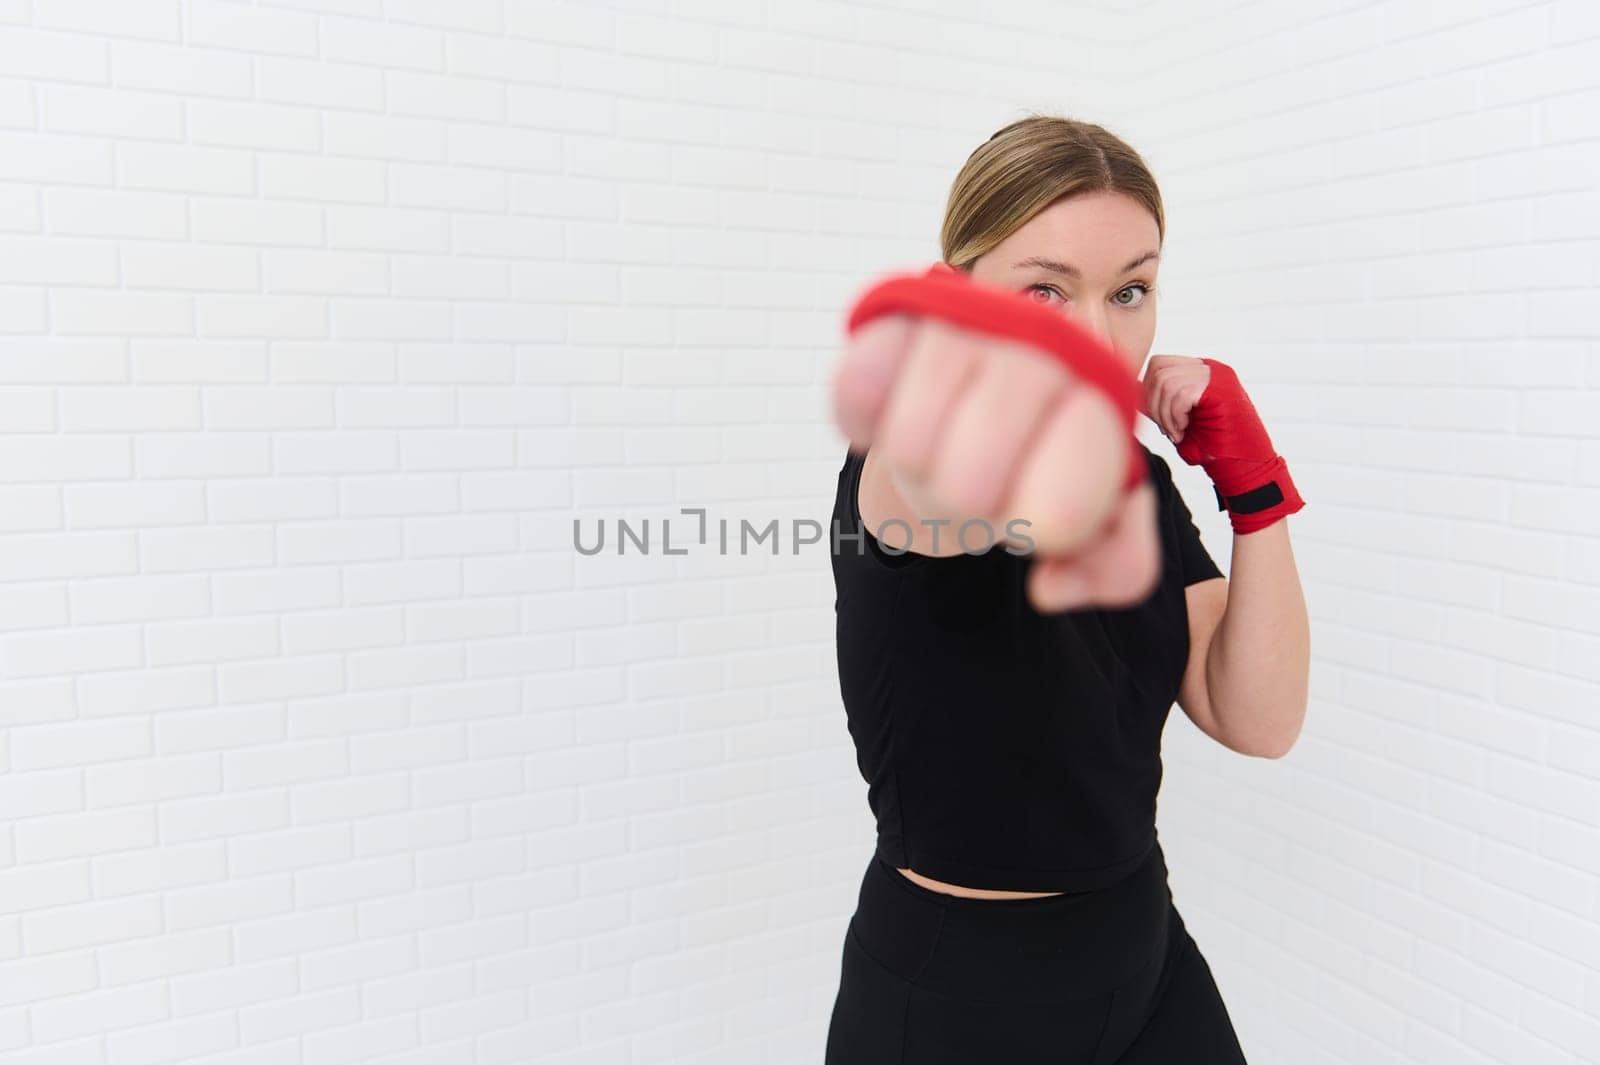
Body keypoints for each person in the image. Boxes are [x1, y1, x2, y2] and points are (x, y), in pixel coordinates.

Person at [823, 114, 1311, 1063]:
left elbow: (1258, 715)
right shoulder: (907, 462)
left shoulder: (1139, 478)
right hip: (959, 996)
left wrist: (1256, 491)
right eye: (1046, 289)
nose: (1099, 334)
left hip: (1141, 951)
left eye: (1130, 289)